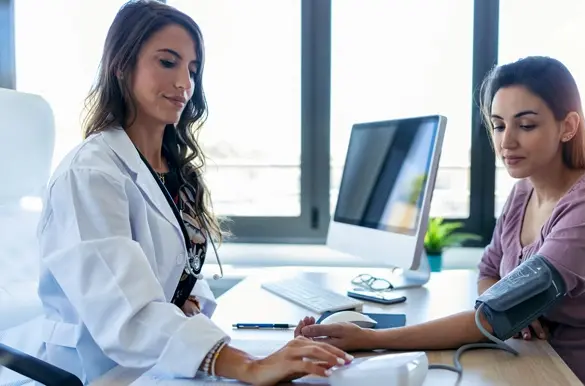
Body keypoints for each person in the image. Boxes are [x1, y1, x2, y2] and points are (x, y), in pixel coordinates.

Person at [296, 56, 585, 385]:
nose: (506, 142)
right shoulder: (523, 192)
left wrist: (368, 340)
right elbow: (489, 272)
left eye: (526, 125)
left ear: (568, 127)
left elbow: (492, 314)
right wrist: (514, 307)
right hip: (546, 365)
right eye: (499, 125)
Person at [21, 1, 352, 385]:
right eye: (167, 62)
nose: (184, 83)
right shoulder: (90, 174)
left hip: (160, 358)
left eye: (192, 70)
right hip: (99, 371)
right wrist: (249, 364)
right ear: (122, 65)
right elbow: (127, 315)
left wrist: (190, 308)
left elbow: (183, 273)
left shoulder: (177, 172)